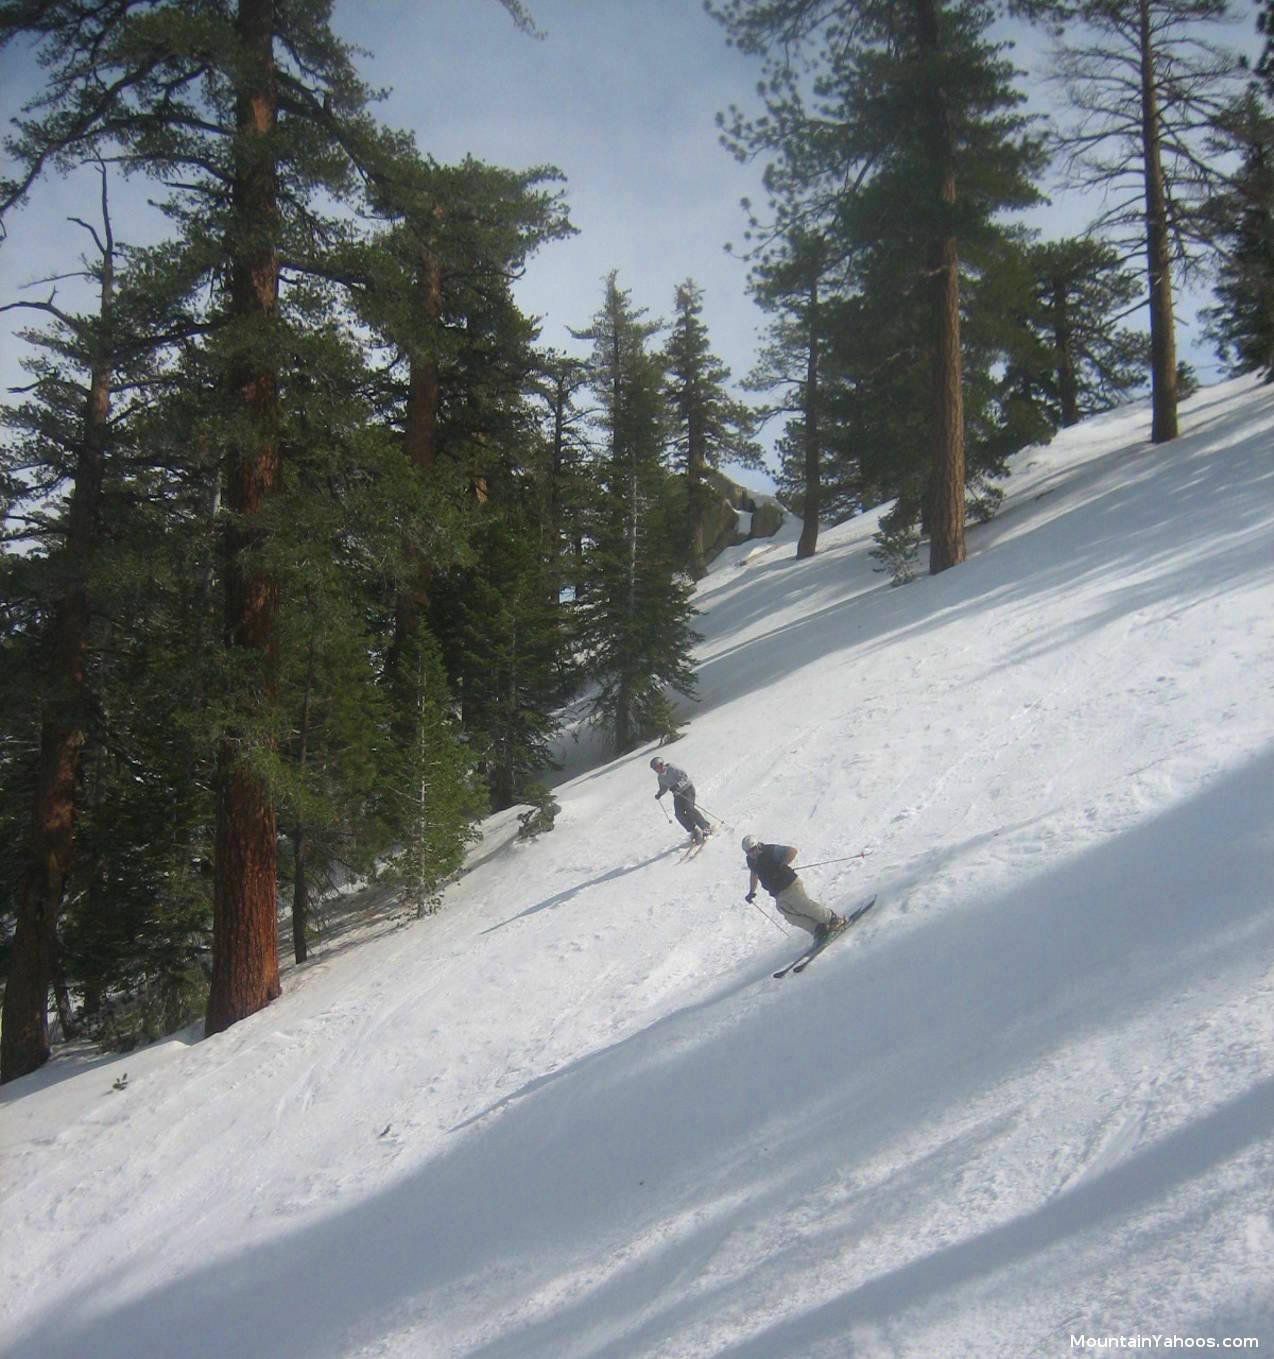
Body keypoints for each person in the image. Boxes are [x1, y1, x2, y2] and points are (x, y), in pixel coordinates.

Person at [741, 834, 845, 940]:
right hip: (777, 892)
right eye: (748, 851)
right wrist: (751, 892)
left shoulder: (770, 850)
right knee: (789, 915)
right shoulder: (751, 860)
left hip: (790, 884)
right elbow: (754, 874)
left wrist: (783, 865)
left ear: (757, 845)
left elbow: (792, 851)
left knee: (803, 906)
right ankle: (819, 929)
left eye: (753, 849)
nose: (752, 853)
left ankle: (832, 919)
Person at [650, 756, 712, 846]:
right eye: (655, 769)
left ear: (662, 764)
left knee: (689, 809)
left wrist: (678, 785)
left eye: (658, 767)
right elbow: (664, 787)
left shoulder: (672, 768)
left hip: (687, 789)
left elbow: (685, 778)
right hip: (678, 794)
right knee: (679, 814)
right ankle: (693, 830)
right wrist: (659, 794)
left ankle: (705, 827)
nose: (657, 770)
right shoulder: (660, 778)